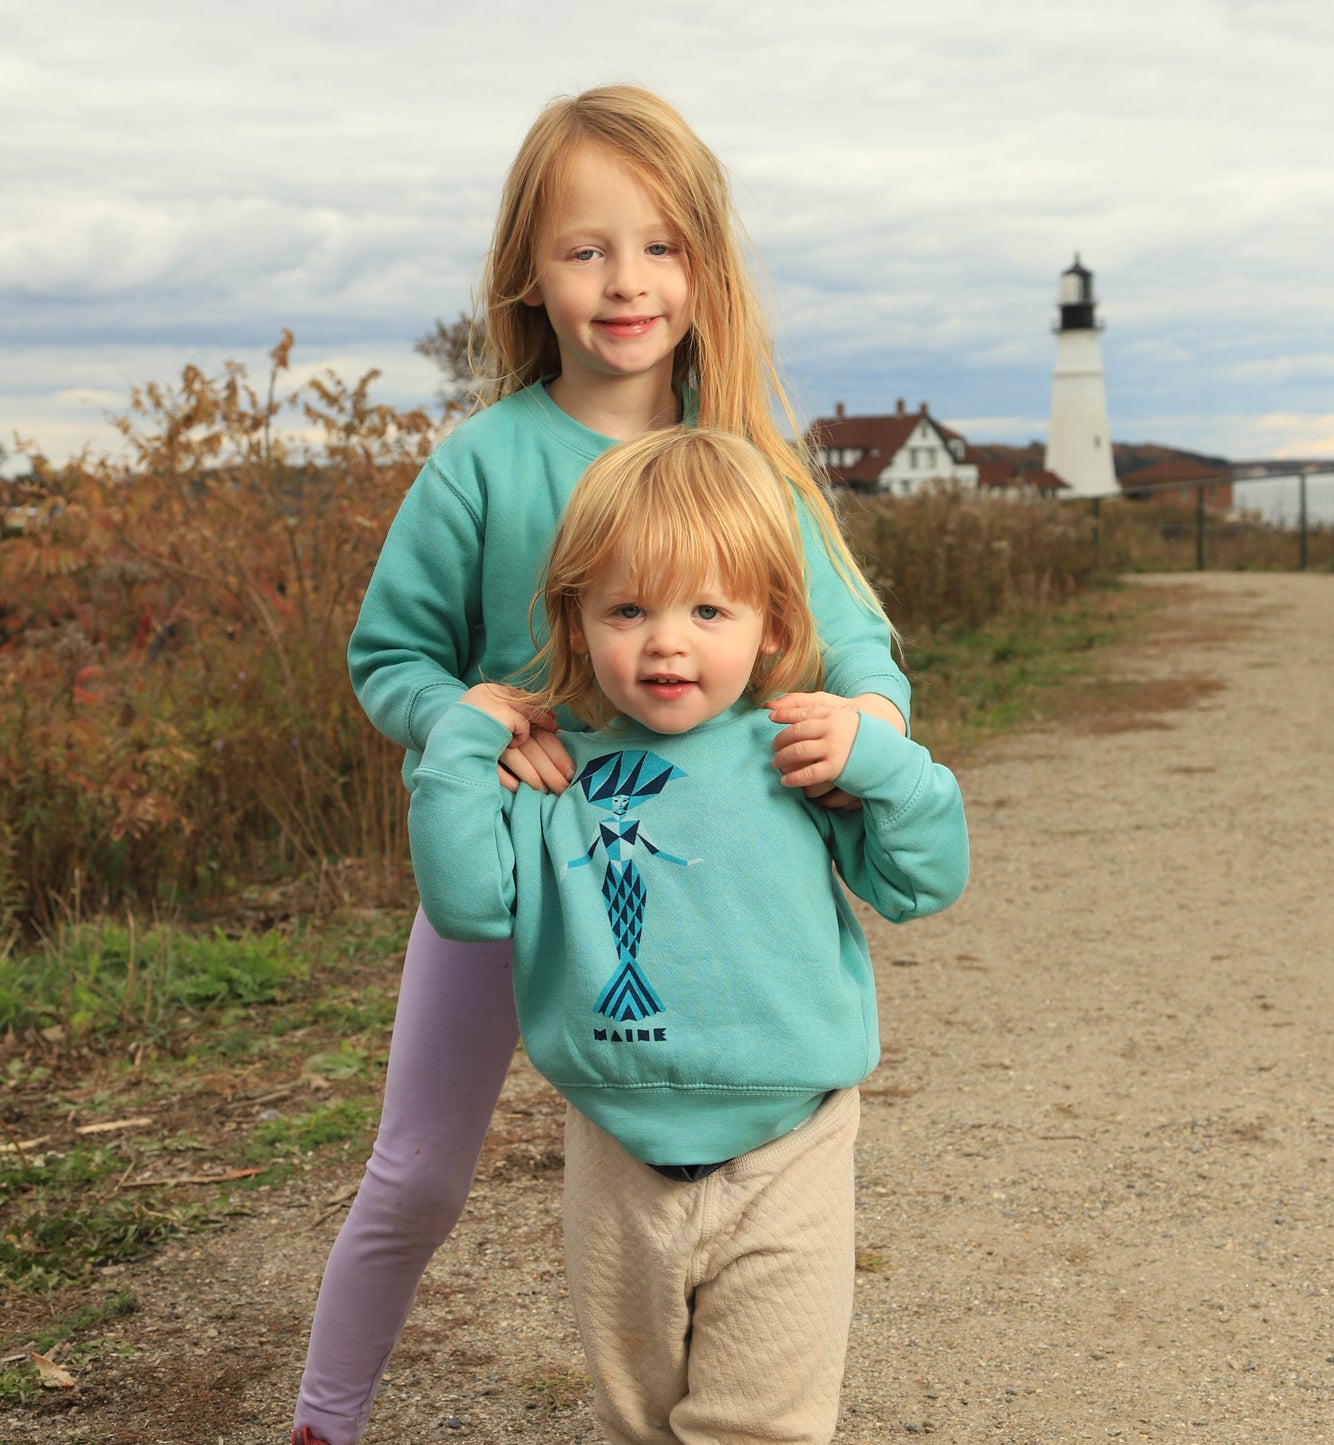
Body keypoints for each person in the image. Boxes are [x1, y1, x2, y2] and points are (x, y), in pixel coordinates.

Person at [291, 85, 913, 1445]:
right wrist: (478, 713)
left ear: (706, 263)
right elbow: (387, 658)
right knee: (416, 1174)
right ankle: (322, 1420)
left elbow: (859, 655)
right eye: (585, 248)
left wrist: (861, 728)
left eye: (659, 245)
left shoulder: (750, 465)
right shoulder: (483, 463)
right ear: (529, 270)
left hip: (685, 892)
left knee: (717, 1176)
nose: (625, 281)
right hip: (512, 858)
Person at [408, 427, 968, 1445]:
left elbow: (924, 880)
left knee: (760, 1424)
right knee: (640, 1420)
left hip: (788, 1142)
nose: (667, 640)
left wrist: (881, 757)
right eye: (627, 608)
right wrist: (457, 742)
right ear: (575, 625)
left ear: (768, 624)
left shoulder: (797, 748)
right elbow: (468, 904)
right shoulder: (551, 773)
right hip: (615, 1152)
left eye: (707, 608)